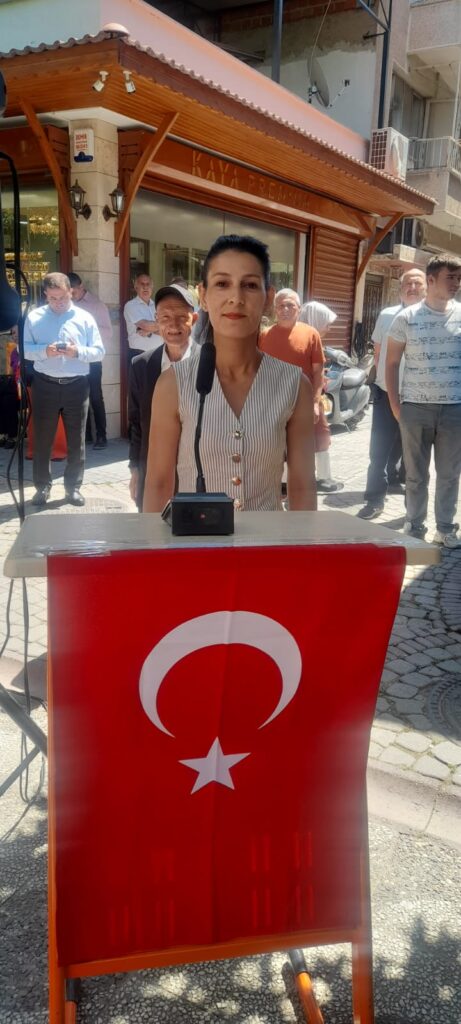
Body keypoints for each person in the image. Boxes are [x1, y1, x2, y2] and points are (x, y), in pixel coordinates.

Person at [143, 235, 316, 513]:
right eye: (222, 284)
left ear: (268, 297)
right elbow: (158, 483)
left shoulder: (295, 385)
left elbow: (303, 486)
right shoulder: (173, 384)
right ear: (204, 296)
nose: (236, 298)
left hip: (269, 539)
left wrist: (303, 541)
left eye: (250, 285)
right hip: (195, 539)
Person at [386, 254, 461, 548]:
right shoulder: (406, 318)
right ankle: (415, 526)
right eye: (450, 277)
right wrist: (396, 405)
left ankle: (445, 528)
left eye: (458, 278)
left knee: (450, 474)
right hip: (415, 408)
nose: (456, 283)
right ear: (431, 280)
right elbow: (391, 363)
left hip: (454, 409)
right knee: (416, 475)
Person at [24, 271, 105, 507]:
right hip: (44, 384)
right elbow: (24, 349)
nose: (58, 303)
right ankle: (42, 487)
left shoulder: (85, 318)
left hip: (76, 386)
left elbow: (99, 352)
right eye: (53, 298)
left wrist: (77, 351)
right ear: (45, 295)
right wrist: (44, 351)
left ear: (71, 292)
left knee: (76, 441)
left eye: (63, 297)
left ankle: (73, 488)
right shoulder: (34, 317)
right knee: (42, 440)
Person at [357, 268, 427, 520]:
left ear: (426, 287)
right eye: (407, 283)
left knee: (415, 456)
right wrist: (381, 382)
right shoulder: (386, 315)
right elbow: (378, 352)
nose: (412, 287)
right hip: (386, 394)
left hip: (419, 399)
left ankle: (414, 510)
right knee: (378, 452)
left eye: (417, 283)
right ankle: (374, 500)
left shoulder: (433, 318)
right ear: (400, 289)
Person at [260, 290, 342, 493]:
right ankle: (283, 484)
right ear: (275, 309)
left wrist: (315, 402)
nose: (285, 309)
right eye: (281, 306)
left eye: (290, 305)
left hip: (306, 400)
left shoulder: (311, 334)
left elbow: (318, 371)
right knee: (280, 441)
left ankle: (322, 479)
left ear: (299, 309)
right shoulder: (264, 336)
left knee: (320, 437)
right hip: (275, 401)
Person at [128, 283, 197, 510]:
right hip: (154, 475)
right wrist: (136, 470)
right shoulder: (141, 365)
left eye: (181, 317)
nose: (173, 325)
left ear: (194, 319)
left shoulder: (212, 363)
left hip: (198, 476)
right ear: (157, 321)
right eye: (165, 317)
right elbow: (137, 423)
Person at [298, 299, 344, 492]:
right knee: (320, 435)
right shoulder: (304, 340)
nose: (329, 328)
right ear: (315, 320)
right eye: (326, 323)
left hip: (313, 396)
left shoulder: (310, 338)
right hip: (307, 398)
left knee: (319, 435)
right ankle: (320, 479)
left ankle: (318, 477)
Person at [68, 272, 111, 449]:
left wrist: (86, 336)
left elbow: (108, 332)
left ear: (81, 286)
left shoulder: (96, 305)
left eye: (74, 292)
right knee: (78, 397)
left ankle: (102, 436)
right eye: (69, 293)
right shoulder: (67, 306)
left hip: (92, 358)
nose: (71, 296)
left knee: (95, 397)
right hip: (74, 359)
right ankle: (84, 437)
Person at [123, 274, 163, 355]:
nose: (145, 287)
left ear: (152, 288)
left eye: (148, 284)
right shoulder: (131, 305)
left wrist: (150, 331)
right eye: (142, 284)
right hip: (139, 353)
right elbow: (145, 325)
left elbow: (167, 331)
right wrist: (162, 326)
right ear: (136, 287)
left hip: (158, 353)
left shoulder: (158, 306)